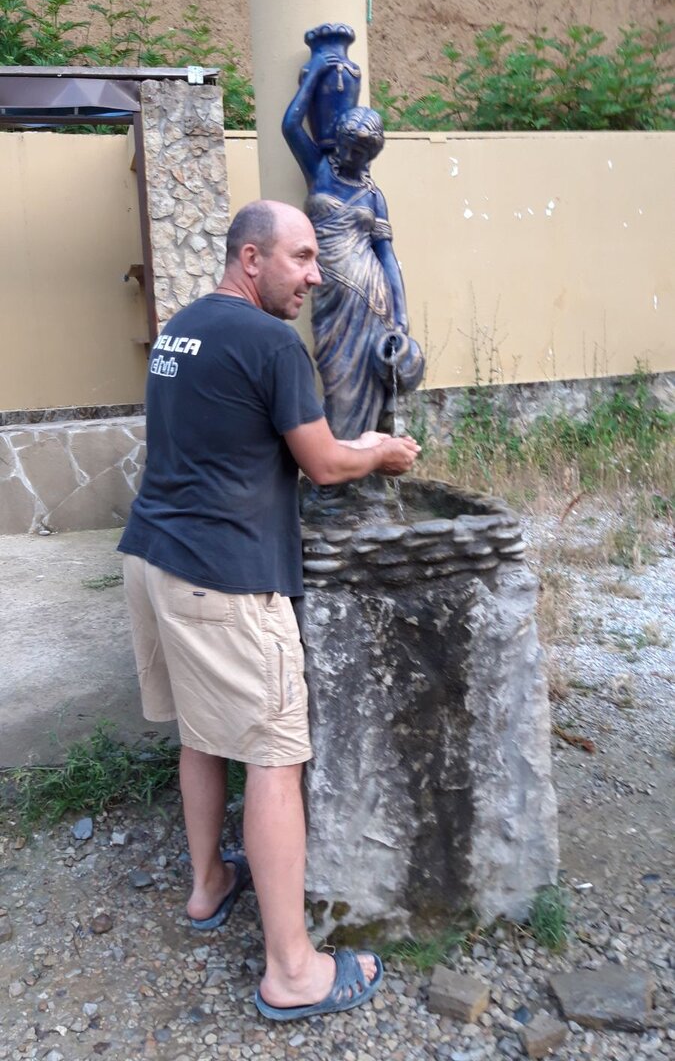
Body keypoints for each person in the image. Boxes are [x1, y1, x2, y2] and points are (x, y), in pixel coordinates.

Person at [118, 199, 420, 1023]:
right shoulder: (272, 343)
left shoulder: (183, 327)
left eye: (316, 259)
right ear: (250, 259)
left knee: (200, 733)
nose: (315, 276)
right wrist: (380, 452)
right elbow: (322, 464)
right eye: (301, 258)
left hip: (151, 557)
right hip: (224, 579)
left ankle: (208, 884)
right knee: (275, 757)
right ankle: (293, 971)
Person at [283, 60, 423, 440]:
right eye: (346, 147)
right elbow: (290, 126)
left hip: (372, 297)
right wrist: (315, 75)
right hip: (330, 297)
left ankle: (368, 465)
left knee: (374, 386)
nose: (349, 157)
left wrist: (401, 314)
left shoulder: (374, 196)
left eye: (359, 153)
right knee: (338, 385)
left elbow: (386, 255)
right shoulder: (319, 169)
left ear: (370, 155)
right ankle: (341, 467)